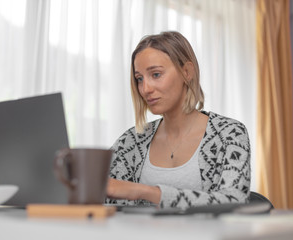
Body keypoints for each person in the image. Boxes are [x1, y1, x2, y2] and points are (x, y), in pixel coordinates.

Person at [105, 31, 251, 210]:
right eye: (139, 79)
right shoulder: (130, 142)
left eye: (156, 74)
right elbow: (102, 199)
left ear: (187, 72)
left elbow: (234, 200)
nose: (145, 88)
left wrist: (146, 192)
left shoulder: (230, 134)